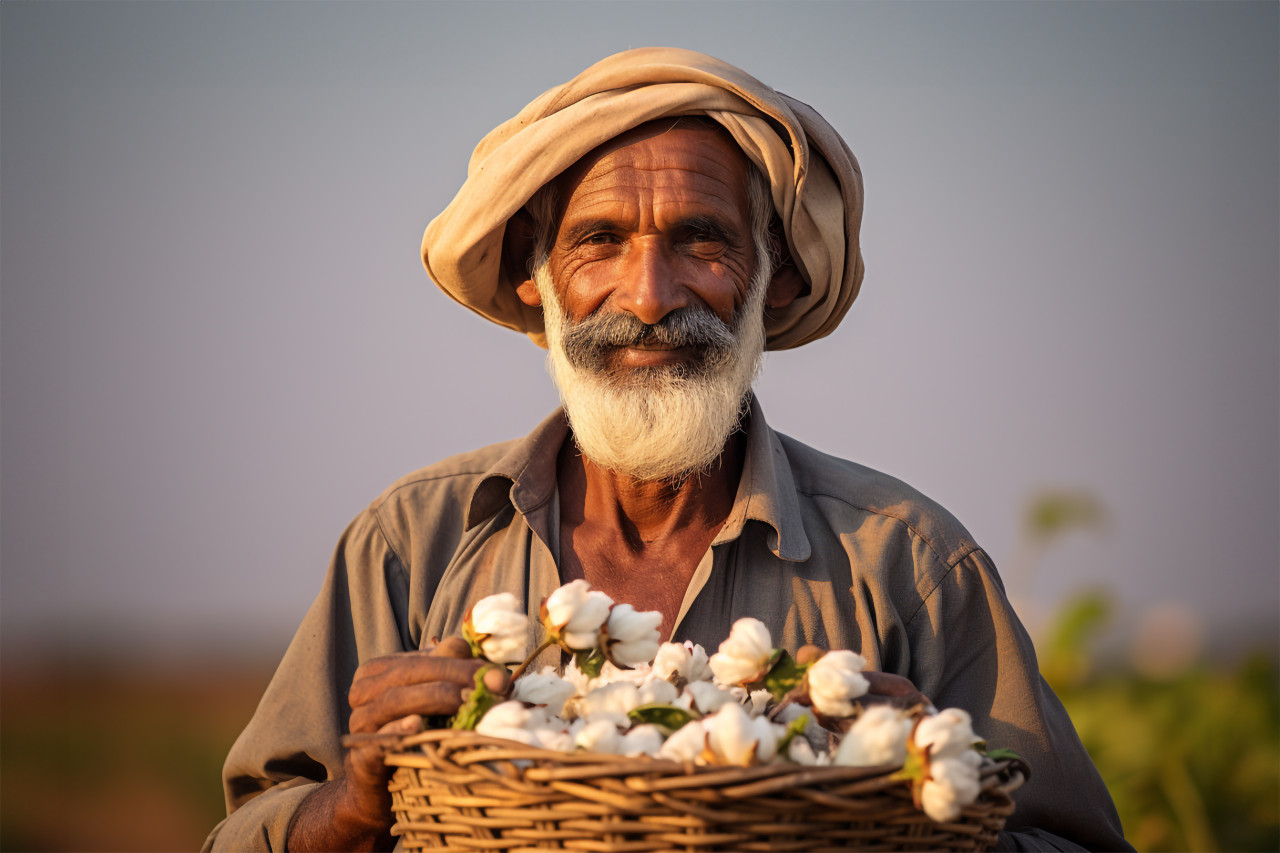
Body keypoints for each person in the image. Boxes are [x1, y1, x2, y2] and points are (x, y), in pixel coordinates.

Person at [204, 48, 1130, 852]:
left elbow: (1072, 844)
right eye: (600, 241)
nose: (648, 296)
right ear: (540, 278)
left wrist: (929, 796)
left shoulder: (908, 564)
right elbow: (246, 829)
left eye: (701, 240)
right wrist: (352, 802)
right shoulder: (412, 545)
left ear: (773, 279)